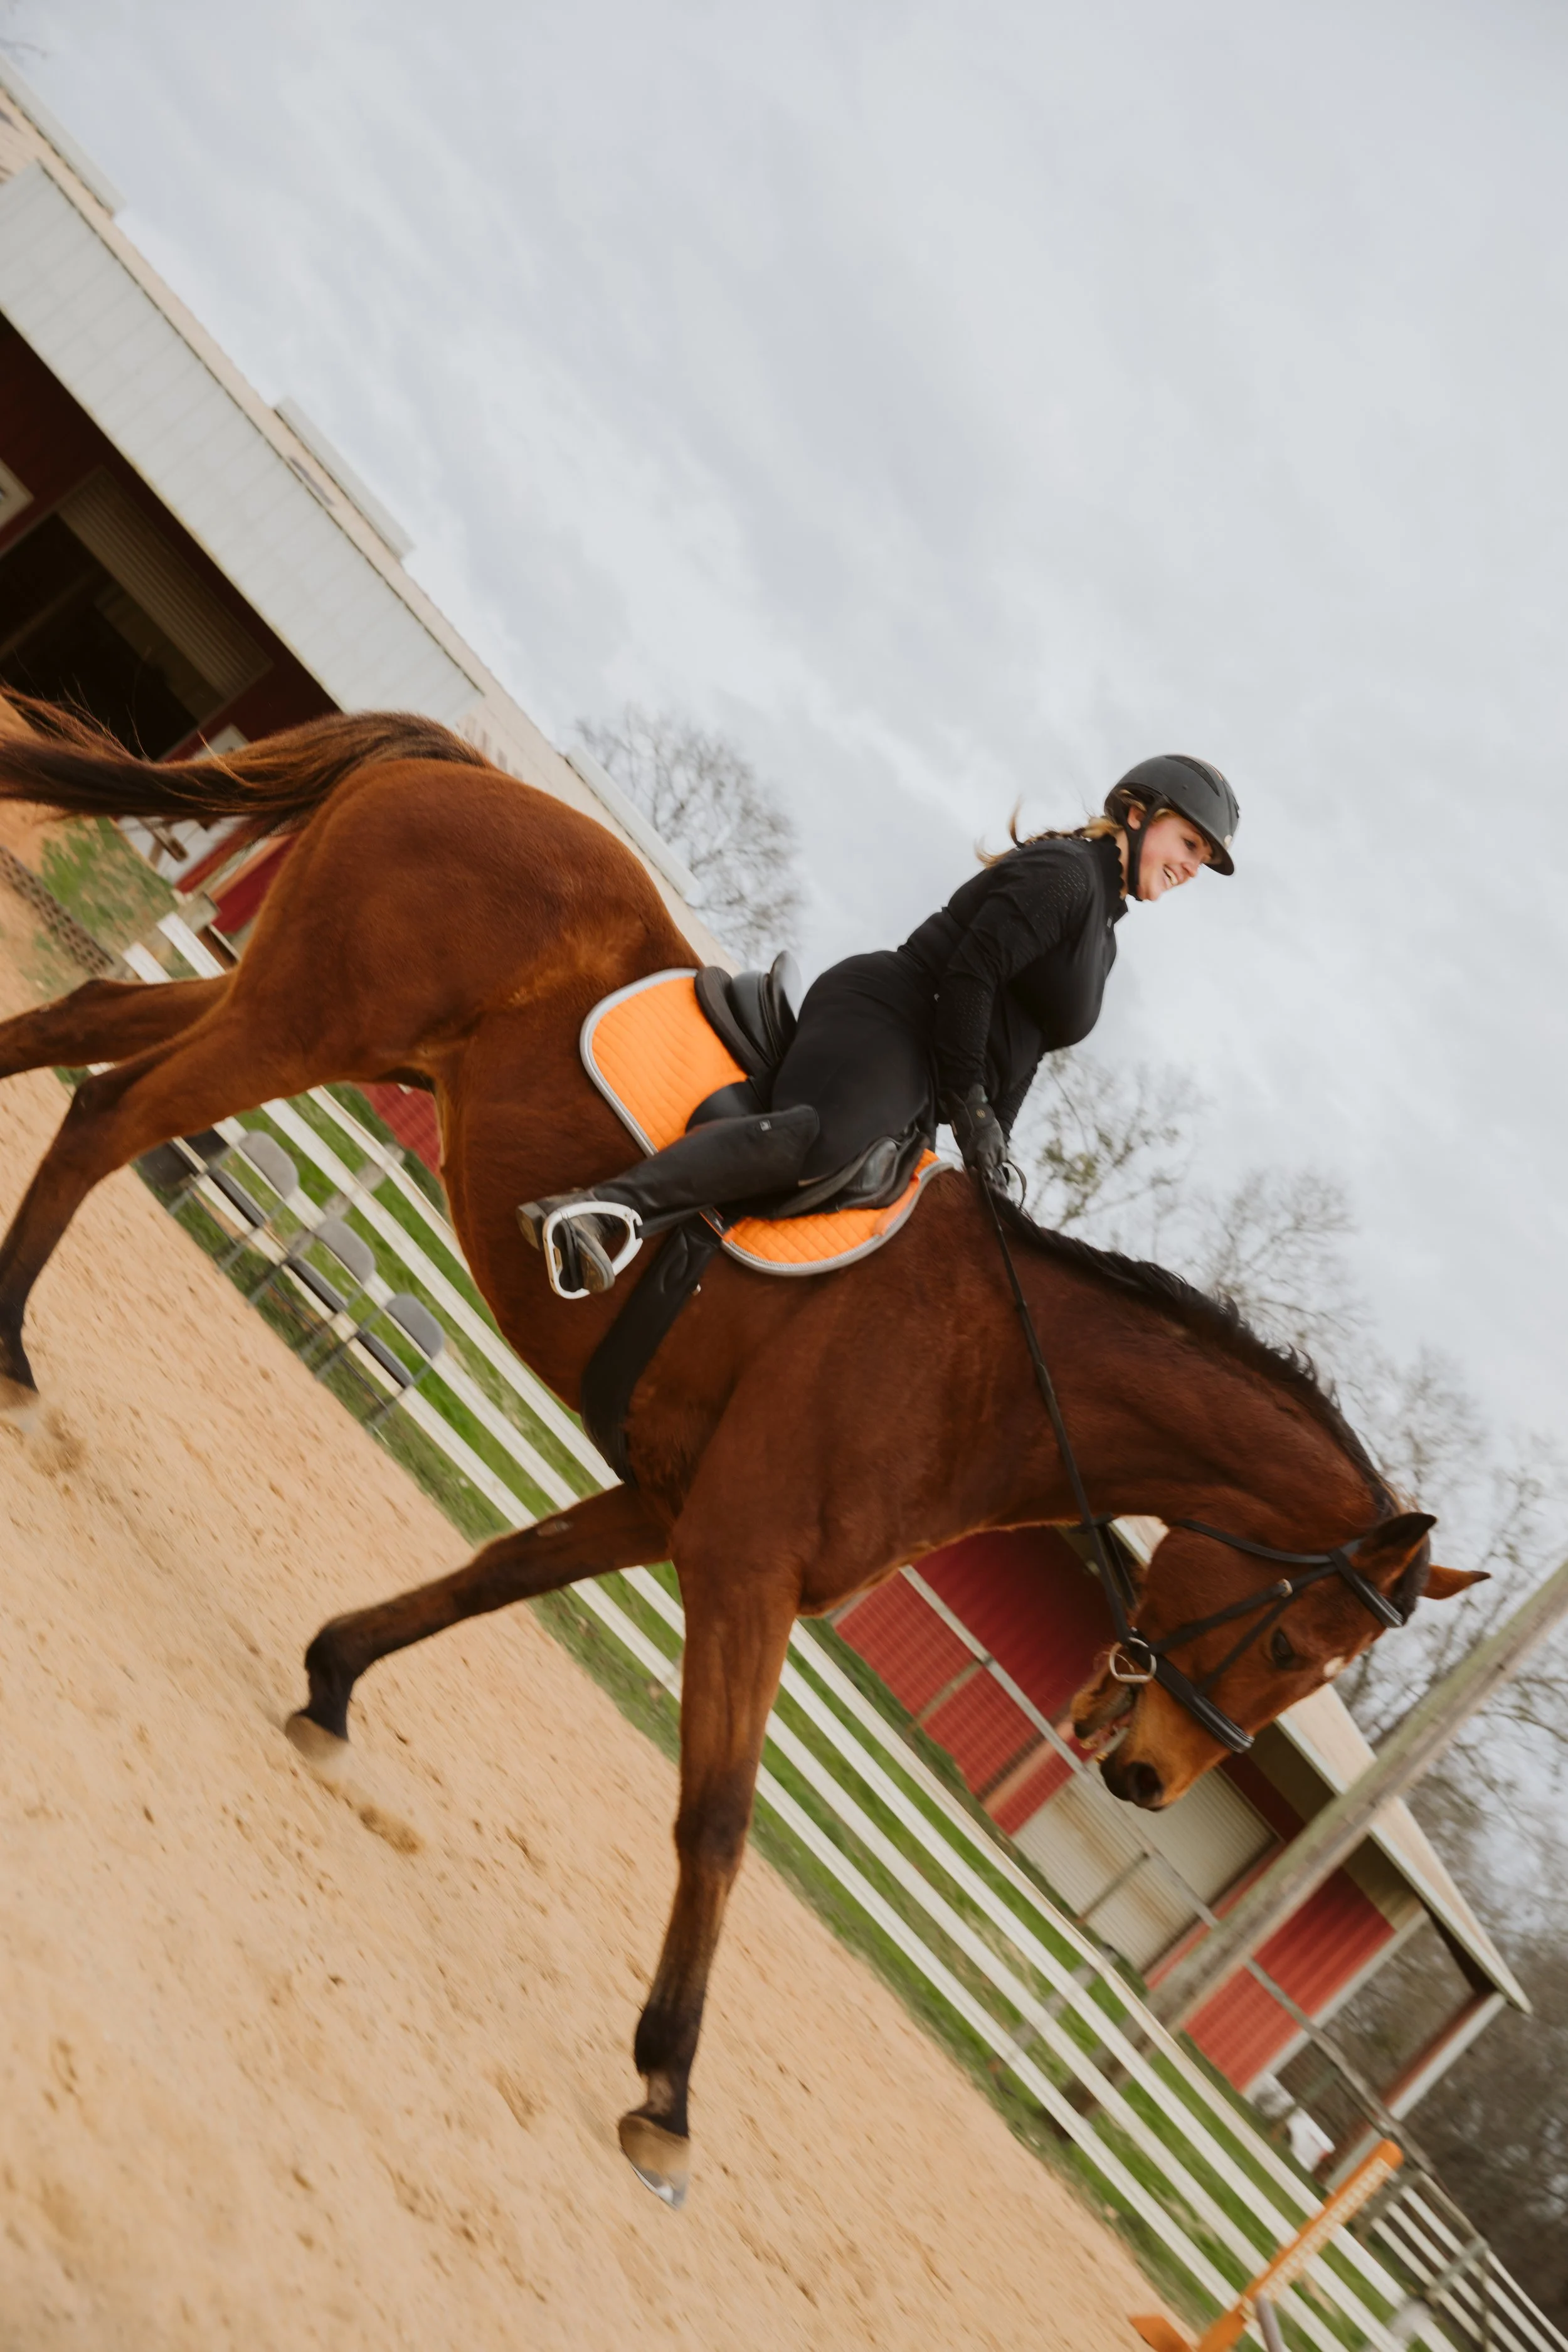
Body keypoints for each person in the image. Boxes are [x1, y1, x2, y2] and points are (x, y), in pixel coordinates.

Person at [519, 752, 1238, 1296]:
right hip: (893, 1013)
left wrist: (994, 1153)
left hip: (933, 1074)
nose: (1191, 868)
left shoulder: (1104, 937)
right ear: (1140, 814)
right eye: (1189, 844)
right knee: (822, 1144)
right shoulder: (1066, 877)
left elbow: (1024, 1052)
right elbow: (969, 980)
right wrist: (972, 1107)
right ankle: (604, 1209)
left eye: (1201, 860)